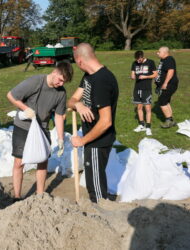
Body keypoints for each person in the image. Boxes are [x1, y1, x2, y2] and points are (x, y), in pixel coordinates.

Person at [7, 61, 73, 201]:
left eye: (64, 82)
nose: (61, 84)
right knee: (19, 162)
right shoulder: (36, 81)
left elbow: (59, 115)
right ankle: (17, 196)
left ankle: (40, 195)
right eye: (61, 80)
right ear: (55, 72)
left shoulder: (61, 93)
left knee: (43, 161)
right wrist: (26, 109)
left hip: (42, 128)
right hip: (24, 126)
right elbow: (11, 95)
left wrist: (60, 138)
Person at [67, 43, 119, 203]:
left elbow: (106, 122)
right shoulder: (89, 77)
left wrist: (82, 141)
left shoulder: (102, 81)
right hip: (91, 139)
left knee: (95, 187)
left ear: (80, 61)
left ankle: (101, 215)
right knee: (92, 179)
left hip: (98, 141)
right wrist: (78, 105)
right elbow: (72, 100)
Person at [130, 50, 157, 136]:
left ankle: (148, 127)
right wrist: (132, 76)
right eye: (137, 59)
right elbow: (132, 74)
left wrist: (146, 76)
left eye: (139, 59)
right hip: (137, 88)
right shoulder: (134, 63)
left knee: (148, 109)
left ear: (142, 57)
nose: (138, 61)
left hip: (147, 89)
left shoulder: (150, 62)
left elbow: (155, 74)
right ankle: (141, 125)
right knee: (139, 108)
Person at [155, 46, 179, 128]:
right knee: (166, 101)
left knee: (162, 102)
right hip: (164, 85)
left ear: (165, 52)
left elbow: (171, 71)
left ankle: (168, 121)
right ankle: (171, 121)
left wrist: (165, 83)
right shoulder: (163, 60)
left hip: (169, 84)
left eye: (159, 52)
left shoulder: (169, 59)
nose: (157, 53)